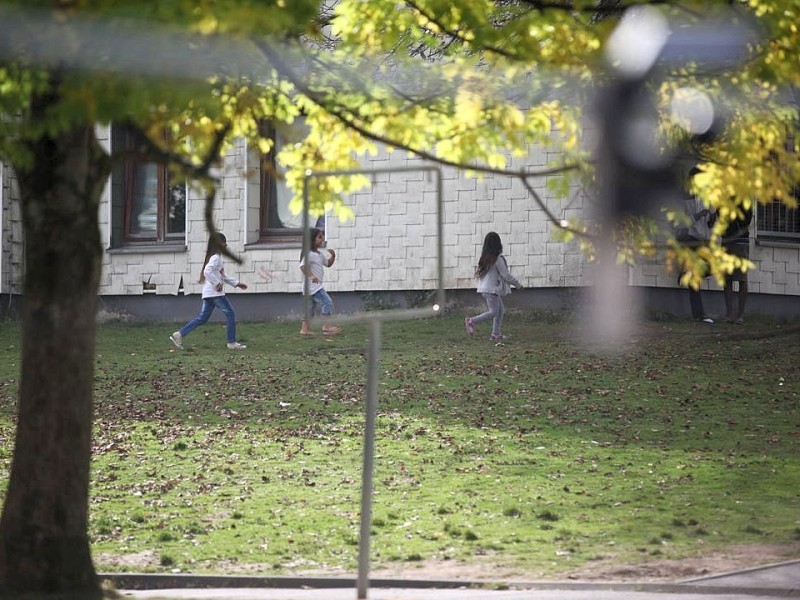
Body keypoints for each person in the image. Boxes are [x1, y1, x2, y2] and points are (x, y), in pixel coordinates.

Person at [170, 232, 248, 350]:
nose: (226, 246)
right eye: (223, 244)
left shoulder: (215, 258)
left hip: (208, 293)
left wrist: (237, 284)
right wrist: (217, 283)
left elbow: (223, 276)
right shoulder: (216, 258)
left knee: (202, 318)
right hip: (214, 293)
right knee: (230, 313)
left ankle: (179, 334)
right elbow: (207, 271)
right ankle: (231, 342)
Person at [464, 231, 523, 343]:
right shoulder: (497, 259)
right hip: (491, 290)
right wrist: (518, 285)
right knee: (493, 312)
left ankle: (495, 334)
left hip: (486, 289)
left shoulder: (486, 258)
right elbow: (506, 275)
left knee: (500, 310)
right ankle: (471, 321)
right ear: (498, 244)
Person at [676, 174, 714, 324]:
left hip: (703, 241)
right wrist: (698, 215)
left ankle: (685, 274)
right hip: (690, 241)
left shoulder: (706, 199)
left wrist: (711, 220)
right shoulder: (685, 200)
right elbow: (681, 224)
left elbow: (709, 223)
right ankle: (699, 314)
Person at [299, 227, 341, 336]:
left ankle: (304, 330)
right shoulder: (308, 254)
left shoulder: (319, 254)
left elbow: (328, 264)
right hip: (313, 286)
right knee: (327, 301)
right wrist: (311, 276)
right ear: (312, 239)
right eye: (319, 237)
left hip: (312, 287)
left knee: (310, 308)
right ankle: (326, 327)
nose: (322, 239)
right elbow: (303, 266)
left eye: (322, 237)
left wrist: (333, 256)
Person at [720, 205, 753, 324]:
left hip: (740, 241)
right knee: (727, 278)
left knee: (741, 278)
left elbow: (747, 219)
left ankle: (740, 315)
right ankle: (729, 314)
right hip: (726, 240)